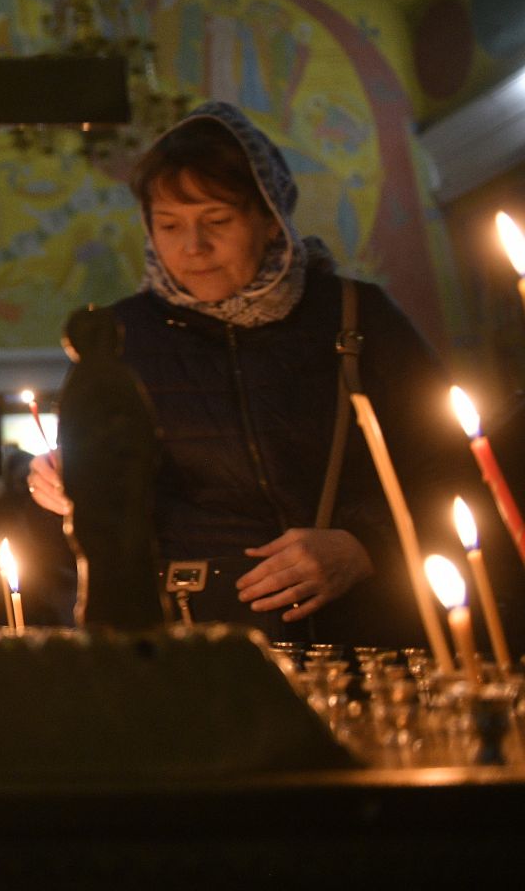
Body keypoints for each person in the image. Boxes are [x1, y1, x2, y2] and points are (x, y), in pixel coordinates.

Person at [27, 102, 476, 643]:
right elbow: (99, 516)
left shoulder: (357, 317)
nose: (193, 248)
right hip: (198, 641)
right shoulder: (120, 340)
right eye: (168, 226)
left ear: (269, 219)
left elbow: (451, 465)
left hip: (367, 630)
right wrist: (66, 484)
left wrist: (365, 546)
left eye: (217, 221)